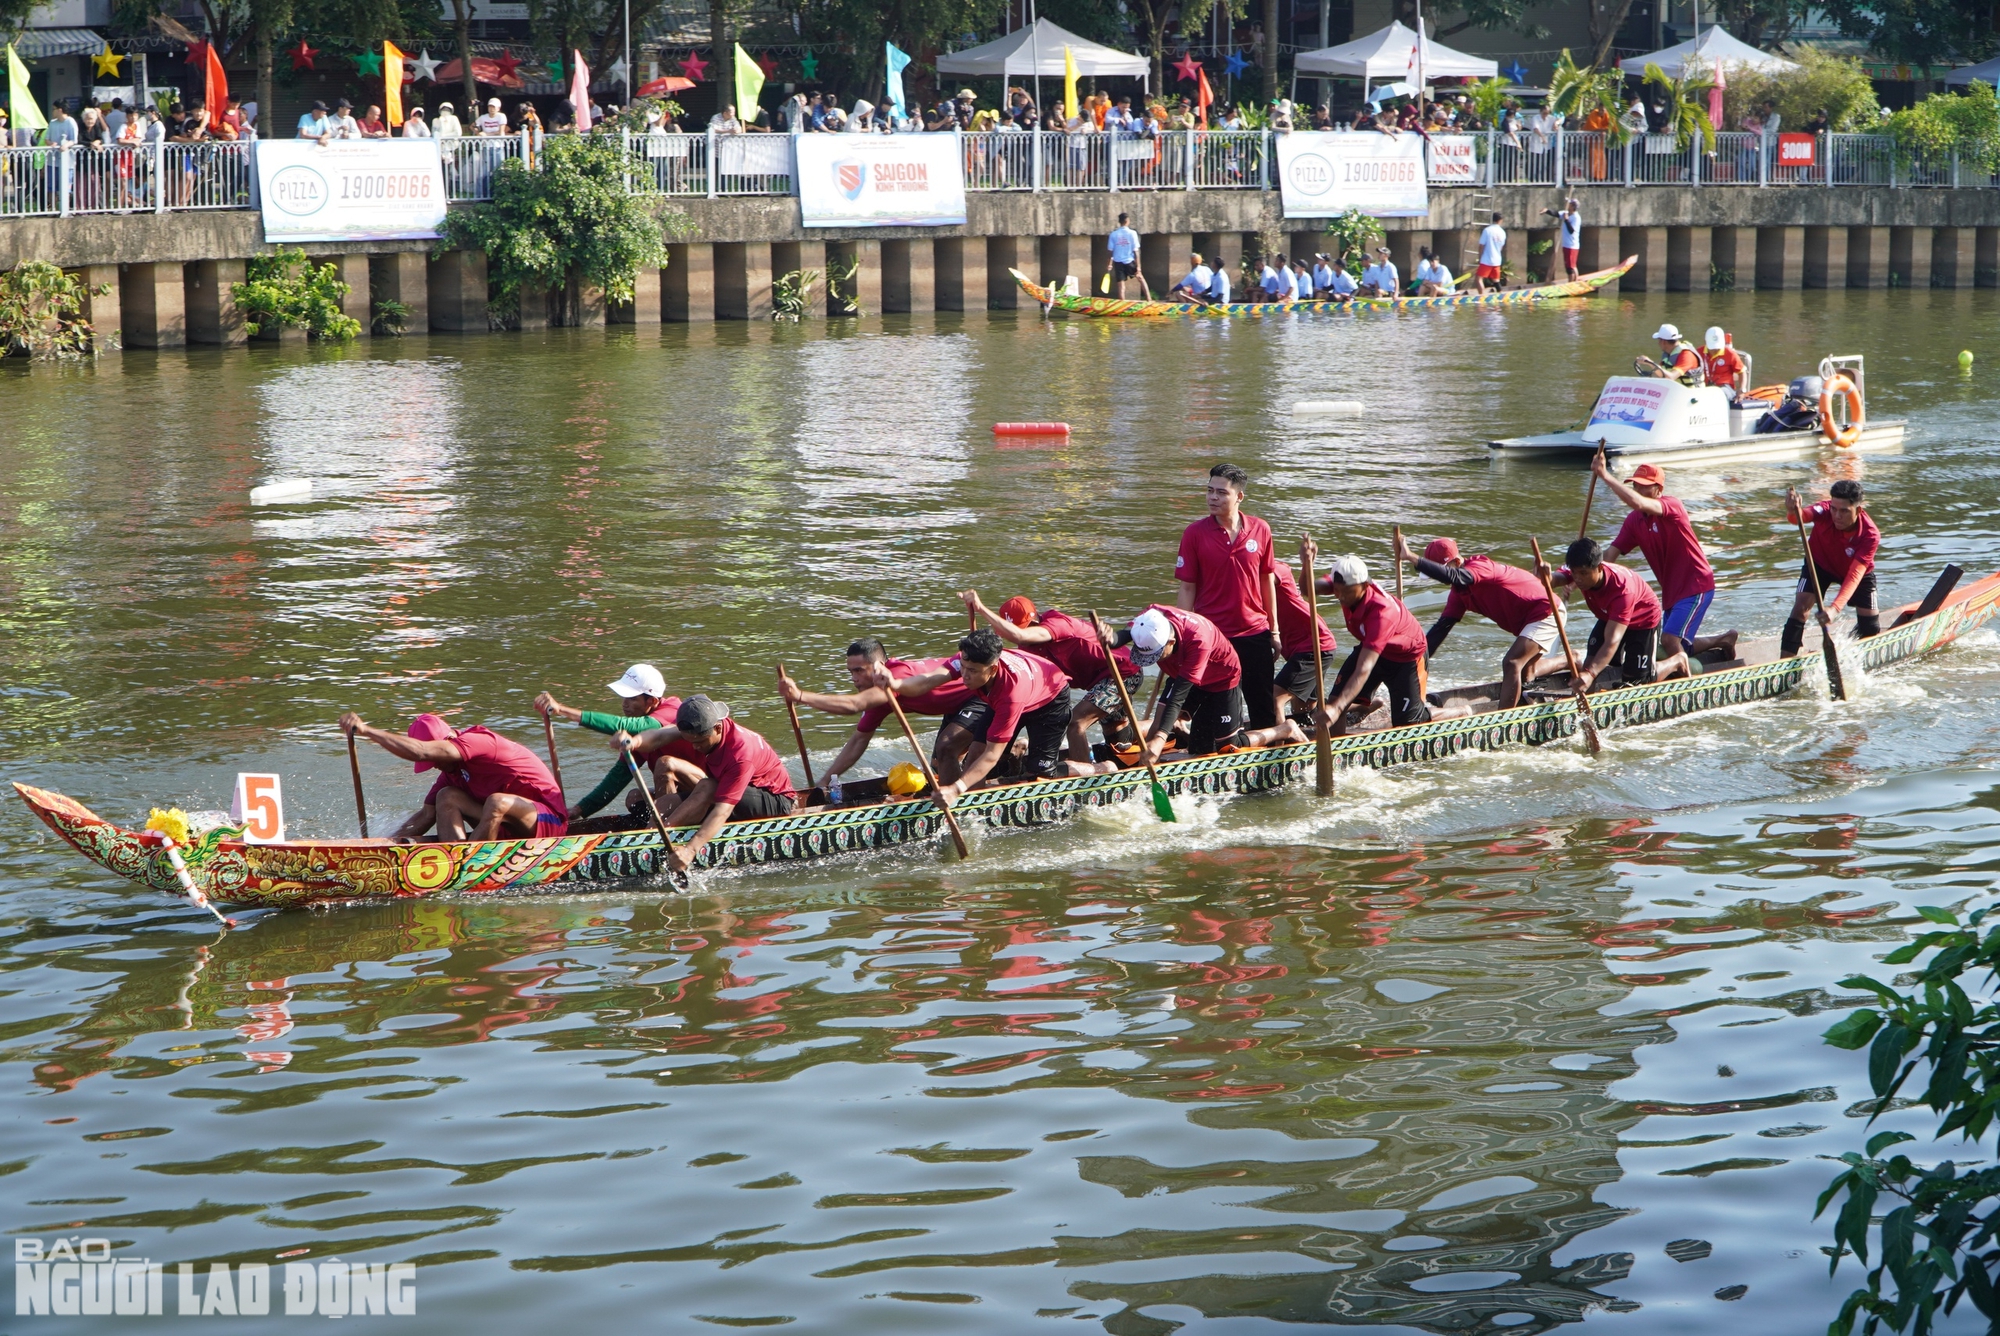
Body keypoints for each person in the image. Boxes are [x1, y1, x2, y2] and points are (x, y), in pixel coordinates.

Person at [876, 629, 1112, 799]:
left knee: (1041, 772)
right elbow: (929, 680)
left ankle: (1101, 768)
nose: (965, 676)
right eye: (964, 668)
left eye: (973, 671)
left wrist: (955, 788)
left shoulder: (1011, 694)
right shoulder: (967, 660)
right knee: (973, 755)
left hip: (1049, 698)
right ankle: (973, 806)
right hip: (1019, 687)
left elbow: (991, 756)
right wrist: (896, 684)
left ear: (993, 669)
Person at [1100, 607, 1299, 762]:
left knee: (1227, 747)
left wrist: (1160, 740)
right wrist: (1113, 638)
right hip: (1183, 671)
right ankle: (1150, 763)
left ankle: (1285, 729)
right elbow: (1128, 633)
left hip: (1222, 678)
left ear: (1170, 641)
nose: (1154, 660)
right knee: (1193, 746)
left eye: (1156, 655)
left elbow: (1177, 698)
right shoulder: (1151, 616)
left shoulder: (1198, 641)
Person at [963, 591, 1141, 762]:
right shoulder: (1026, 647)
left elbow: (1021, 635)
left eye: (1028, 628)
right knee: (1119, 741)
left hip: (1122, 672)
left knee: (1076, 723)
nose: (1022, 641)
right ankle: (1163, 731)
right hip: (1095, 683)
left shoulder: (1058, 624)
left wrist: (980, 608)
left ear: (1035, 620)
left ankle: (1085, 781)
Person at [777, 639, 978, 788]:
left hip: (979, 693)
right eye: (851, 672)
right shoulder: (878, 698)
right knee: (938, 764)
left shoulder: (895, 677)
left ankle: (956, 805)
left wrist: (800, 695)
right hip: (956, 705)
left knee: (946, 748)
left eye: (859, 671)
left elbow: (853, 705)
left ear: (879, 667)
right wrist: (823, 783)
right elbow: (857, 742)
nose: (854, 679)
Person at [339, 712, 567, 842]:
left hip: (547, 823)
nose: (435, 766)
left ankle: (469, 864)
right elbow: (426, 816)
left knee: (498, 801)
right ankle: (454, 856)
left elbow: (421, 751)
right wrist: (382, 844)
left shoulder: (479, 742)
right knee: (446, 796)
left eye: (436, 758)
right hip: (502, 827)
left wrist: (367, 731)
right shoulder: (451, 773)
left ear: (447, 741)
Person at [629, 697, 796, 874]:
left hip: (774, 800)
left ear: (717, 728)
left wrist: (690, 850)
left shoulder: (740, 754)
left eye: (700, 742)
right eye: (691, 741)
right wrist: (634, 742)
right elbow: (660, 735)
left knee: (708, 786)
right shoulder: (699, 725)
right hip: (729, 788)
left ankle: (660, 840)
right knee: (661, 803)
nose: (695, 747)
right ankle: (649, 838)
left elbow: (722, 811)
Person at [1177, 463, 1281, 730]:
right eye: (1210, 491)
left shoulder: (1261, 529)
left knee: (1261, 706)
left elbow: (1266, 579)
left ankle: (1266, 757)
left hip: (1253, 632)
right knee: (1209, 708)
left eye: (1221, 493)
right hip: (1213, 636)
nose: (1213, 497)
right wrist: (1183, 636)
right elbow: (1187, 588)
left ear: (1239, 497)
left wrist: (1275, 631)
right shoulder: (1194, 533)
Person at [1406, 536, 1560, 709]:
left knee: (1512, 663)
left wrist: (1412, 557)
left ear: (1457, 562)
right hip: (1526, 620)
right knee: (1526, 673)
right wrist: (1412, 662)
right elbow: (1439, 631)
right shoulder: (1459, 594)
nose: (1440, 580)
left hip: (1546, 610)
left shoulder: (1481, 567)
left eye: (1441, 572)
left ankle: (1504, 721)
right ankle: (1571, 660)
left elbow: (1457, 576)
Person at [535, 664, 699, 822]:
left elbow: (625, 725)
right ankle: (660, 822)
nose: (625, 704)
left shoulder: (672, 711)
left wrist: (562, 710)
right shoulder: (637, 738)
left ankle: (665, 827)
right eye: (624, 698)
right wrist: (577, 811)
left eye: (632, 699)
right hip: (682, 793)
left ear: (652, 701)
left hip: (705, 789)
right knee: (634, 798)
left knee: (665, 764)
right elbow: (616, 780)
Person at [1307, 548, 1433, 730]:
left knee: (1408, 726)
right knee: (1334, 701)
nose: (1340, 597)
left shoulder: (1382, 613)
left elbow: (1364, 668)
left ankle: (1456, 712)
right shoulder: (1344, 583)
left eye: (1347, 592)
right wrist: (1306, 564)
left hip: (1406, 658)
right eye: (1336, 590)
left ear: (1365, 586)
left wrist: (1339, 708)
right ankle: (1338, 750)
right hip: (1374, 648)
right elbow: (1307, 589)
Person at [1546, 538, 1663, 690]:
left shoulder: (1622, 590)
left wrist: (1591, 674)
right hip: (1610, 616)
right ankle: (1585, 695)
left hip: (1643, 620)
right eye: (1574, 573)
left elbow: (1612, 640)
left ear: (1599, 567)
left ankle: (1675, 661)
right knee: (1589, 664)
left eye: (1583, 573)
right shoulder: (1580, 568)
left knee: (1636, 682)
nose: (1578, 579)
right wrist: (1546, 577)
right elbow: (1556, 579)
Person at [1782, 480, 1881, 656]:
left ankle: (1852, 654)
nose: (1836, 515)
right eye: (1834, 509)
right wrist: (1792, 510)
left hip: (1856, 573)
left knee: (1871, 627)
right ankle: (1784, 664)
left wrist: (1834, 609)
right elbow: (1800, 517)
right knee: (1800, 609)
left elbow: (1854, 576)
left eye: (1844, 511)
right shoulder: (1824, 510)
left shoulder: (1870, 534)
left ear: (1858, 510)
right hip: (1819, 565)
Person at [1270, 557, 1339, 725]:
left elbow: (1270, 577)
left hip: (1315, 645)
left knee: (1276, 698)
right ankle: (1355, 710)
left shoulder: (1276, 569)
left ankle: (1279, 747)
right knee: (1304, 711)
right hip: (1307, 646)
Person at [1701, 326, 1745, 402]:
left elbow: (1742, 372)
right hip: (1704, 386)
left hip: (1725, 387)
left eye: (1717, 347)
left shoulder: (1730, 354)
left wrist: (1742, 389)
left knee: (1718, 394)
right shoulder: (1698, 352)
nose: (1715, 350)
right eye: (1712, 348)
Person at [1545, 199, 1582, 280]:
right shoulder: (1566, 213)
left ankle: (1572, 283)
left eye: (1569, 204)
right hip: (1566, 244)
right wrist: (1546, 211)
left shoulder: (1576, 217)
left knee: (1570, 268)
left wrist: (1566, 220)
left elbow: (1571, 231)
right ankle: (1574, 282)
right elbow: (1556, 213)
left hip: (1572, 245)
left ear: (1572, 207)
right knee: (1570, 266)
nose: (1567, 204)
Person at [1107, 211, 1141, 298]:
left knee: (1121, 286)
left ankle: (1122, 304)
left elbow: (1110, 252)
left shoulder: (1113, 234)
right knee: (1140, 278)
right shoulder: (1133, 233)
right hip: (1129, 261)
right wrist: (1138, 266)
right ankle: (1149, 300)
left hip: (1118, 262)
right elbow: (1136, 251)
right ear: (1128, 221)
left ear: (1120, 221)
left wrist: (1109, 264)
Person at [1475, 211, 1507, 292]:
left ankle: (1481, 296)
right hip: (1497, 260)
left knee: (1479, 279)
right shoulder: (1502, 232)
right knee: (1496, 280)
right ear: (1501, 220)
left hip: (1486, 260)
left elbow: (1481, 246)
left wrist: (1480, 258)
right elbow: (1501, 247)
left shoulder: (1487, 230)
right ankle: (1500, 294)